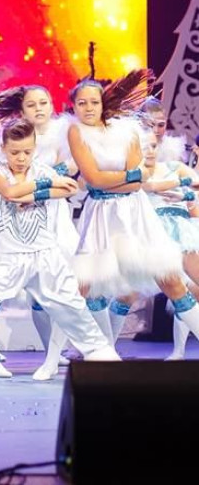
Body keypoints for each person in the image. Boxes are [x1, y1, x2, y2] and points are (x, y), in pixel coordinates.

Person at [0, 119, 120, 382]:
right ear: (3, 149)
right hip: (8, 256)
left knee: (71, 305)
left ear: (34, 148)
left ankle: (99, 351)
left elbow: (69, 188)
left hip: (44, 254)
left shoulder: (43, 170)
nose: (21, 158)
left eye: (27, 152)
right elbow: (10, 192)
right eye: (15, 152)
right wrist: (42, 187)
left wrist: (31, 194)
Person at [68, 76, 199, 350]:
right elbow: (94, 179)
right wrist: (126, 177)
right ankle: (98, 352)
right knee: (86, 285)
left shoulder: (126, 130)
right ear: (74, 106)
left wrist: (117, 179)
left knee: (171, 280)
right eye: (82, 103)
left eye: (94, 102)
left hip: (135, 210)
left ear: (103, 104)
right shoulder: (76, 132)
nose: (89, 108)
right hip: (101, 213)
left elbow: (139, 180)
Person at [141, 130, 199, 359]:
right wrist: (183, 187)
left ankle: (178, 351)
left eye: (153, 146)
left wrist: (184, 195)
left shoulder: (176, 167)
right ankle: (178, 351)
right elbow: (148, 187)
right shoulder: (134, 174)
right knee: (182, 290)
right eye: (145, 146)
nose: (150, 151)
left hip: (186, 231)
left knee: (191, 289)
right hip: (159, 234)